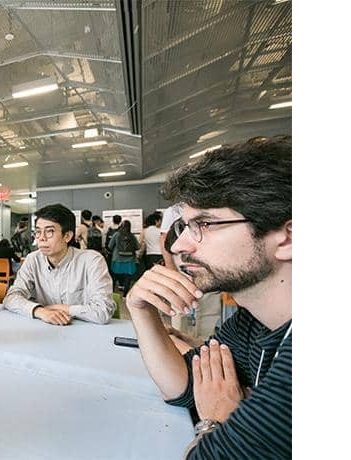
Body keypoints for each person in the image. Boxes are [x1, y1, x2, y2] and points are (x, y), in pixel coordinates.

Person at [125, 135, 291, 458]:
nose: (177, 246)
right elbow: (184, 387)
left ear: (287, 238)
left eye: (204, 223)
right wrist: (141, 311)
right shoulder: (252, 323)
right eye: (186, 226)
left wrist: (214, 423)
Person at [3, 204, 115, 326]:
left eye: (49, 231)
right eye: (38, 232)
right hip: (44, 330)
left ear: (67, 236)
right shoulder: (33, 259)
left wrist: (61, 308)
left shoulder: (92, 261)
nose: (41, 238)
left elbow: (103, 311)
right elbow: (11, 298)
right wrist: (41, 311)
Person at [107, 220, 140, 297]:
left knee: (114, 277)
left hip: (117, 259)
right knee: (128, 277)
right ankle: (125, 295)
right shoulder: (132, 236)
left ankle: (112, 294)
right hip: (130, 260)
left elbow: (110, 246)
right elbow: (138, 247)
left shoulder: (116, 234)